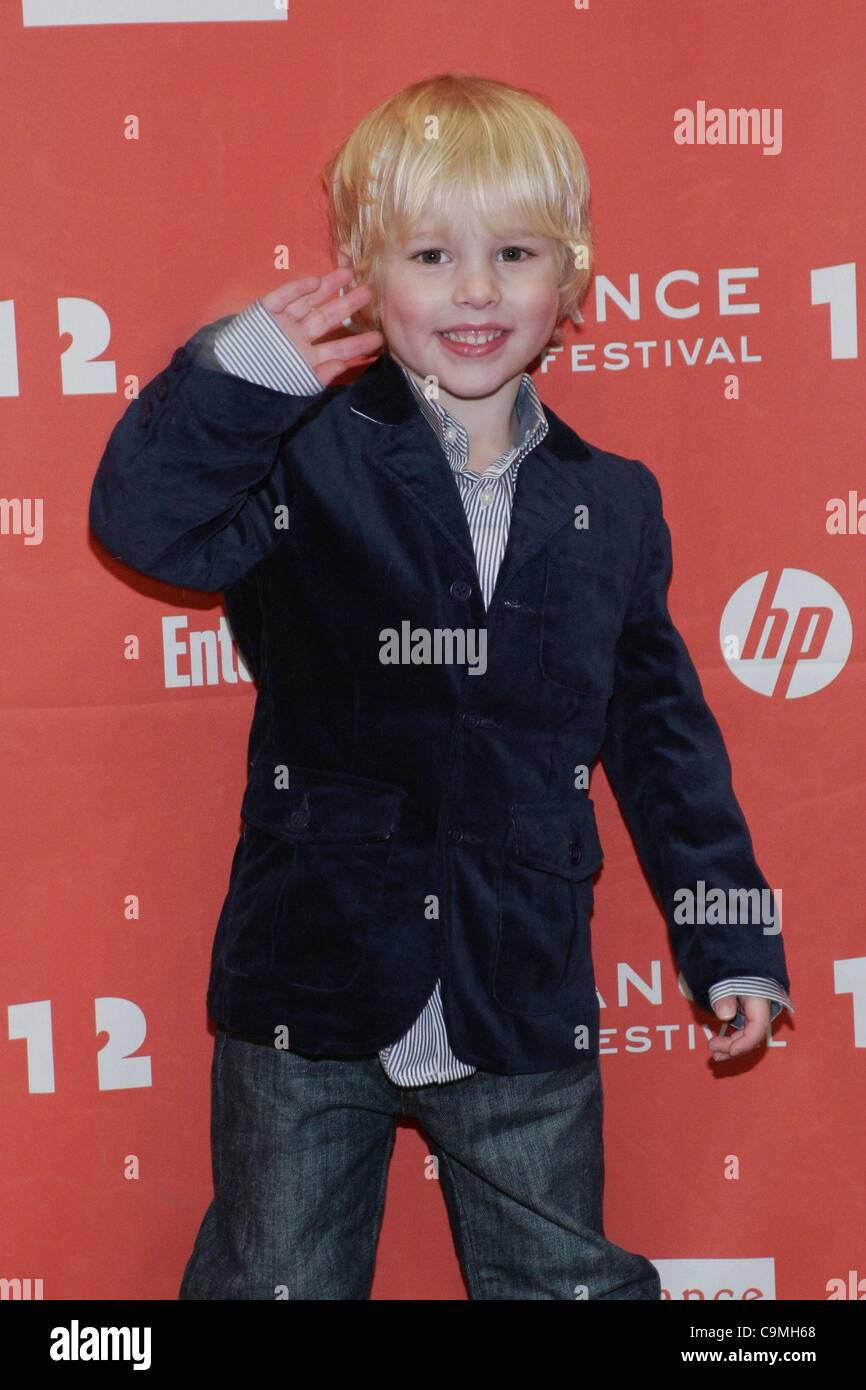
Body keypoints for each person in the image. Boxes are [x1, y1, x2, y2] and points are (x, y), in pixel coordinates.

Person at [89, 73, 793, 1300]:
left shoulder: (613, 501)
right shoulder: (298, 449)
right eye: (428, 255)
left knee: (561, 1283)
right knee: (273, 1285)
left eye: (513, 253)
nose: (475, 291)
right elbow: (142, 520)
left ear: (567, 280)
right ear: (363, 274)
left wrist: (727, 934)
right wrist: (246, 368)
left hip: (516, 987)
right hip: (306, 986)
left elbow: (664, 737)